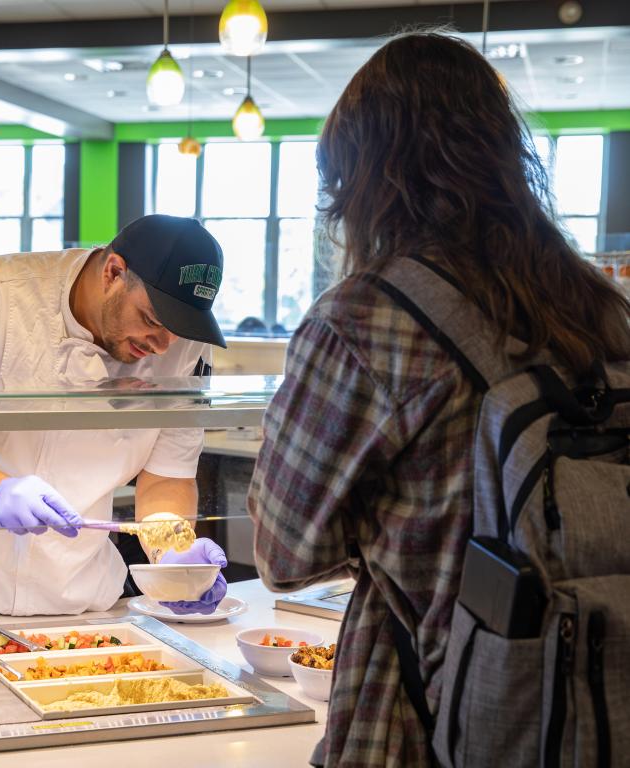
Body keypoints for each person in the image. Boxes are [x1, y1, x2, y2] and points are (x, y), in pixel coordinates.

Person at [247, 32, 630, 768]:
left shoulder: (360, 319)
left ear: (367, 179)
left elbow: (285, 552)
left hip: (421, 714)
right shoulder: (596, 306)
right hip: (590, 699)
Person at [0, 214, 231, 616]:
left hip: (83, 605)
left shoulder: (181, 346)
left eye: (178, 331)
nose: (162, 345)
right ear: (113, 272)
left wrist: (171, 551)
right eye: (152, 320)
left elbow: (167, 474)